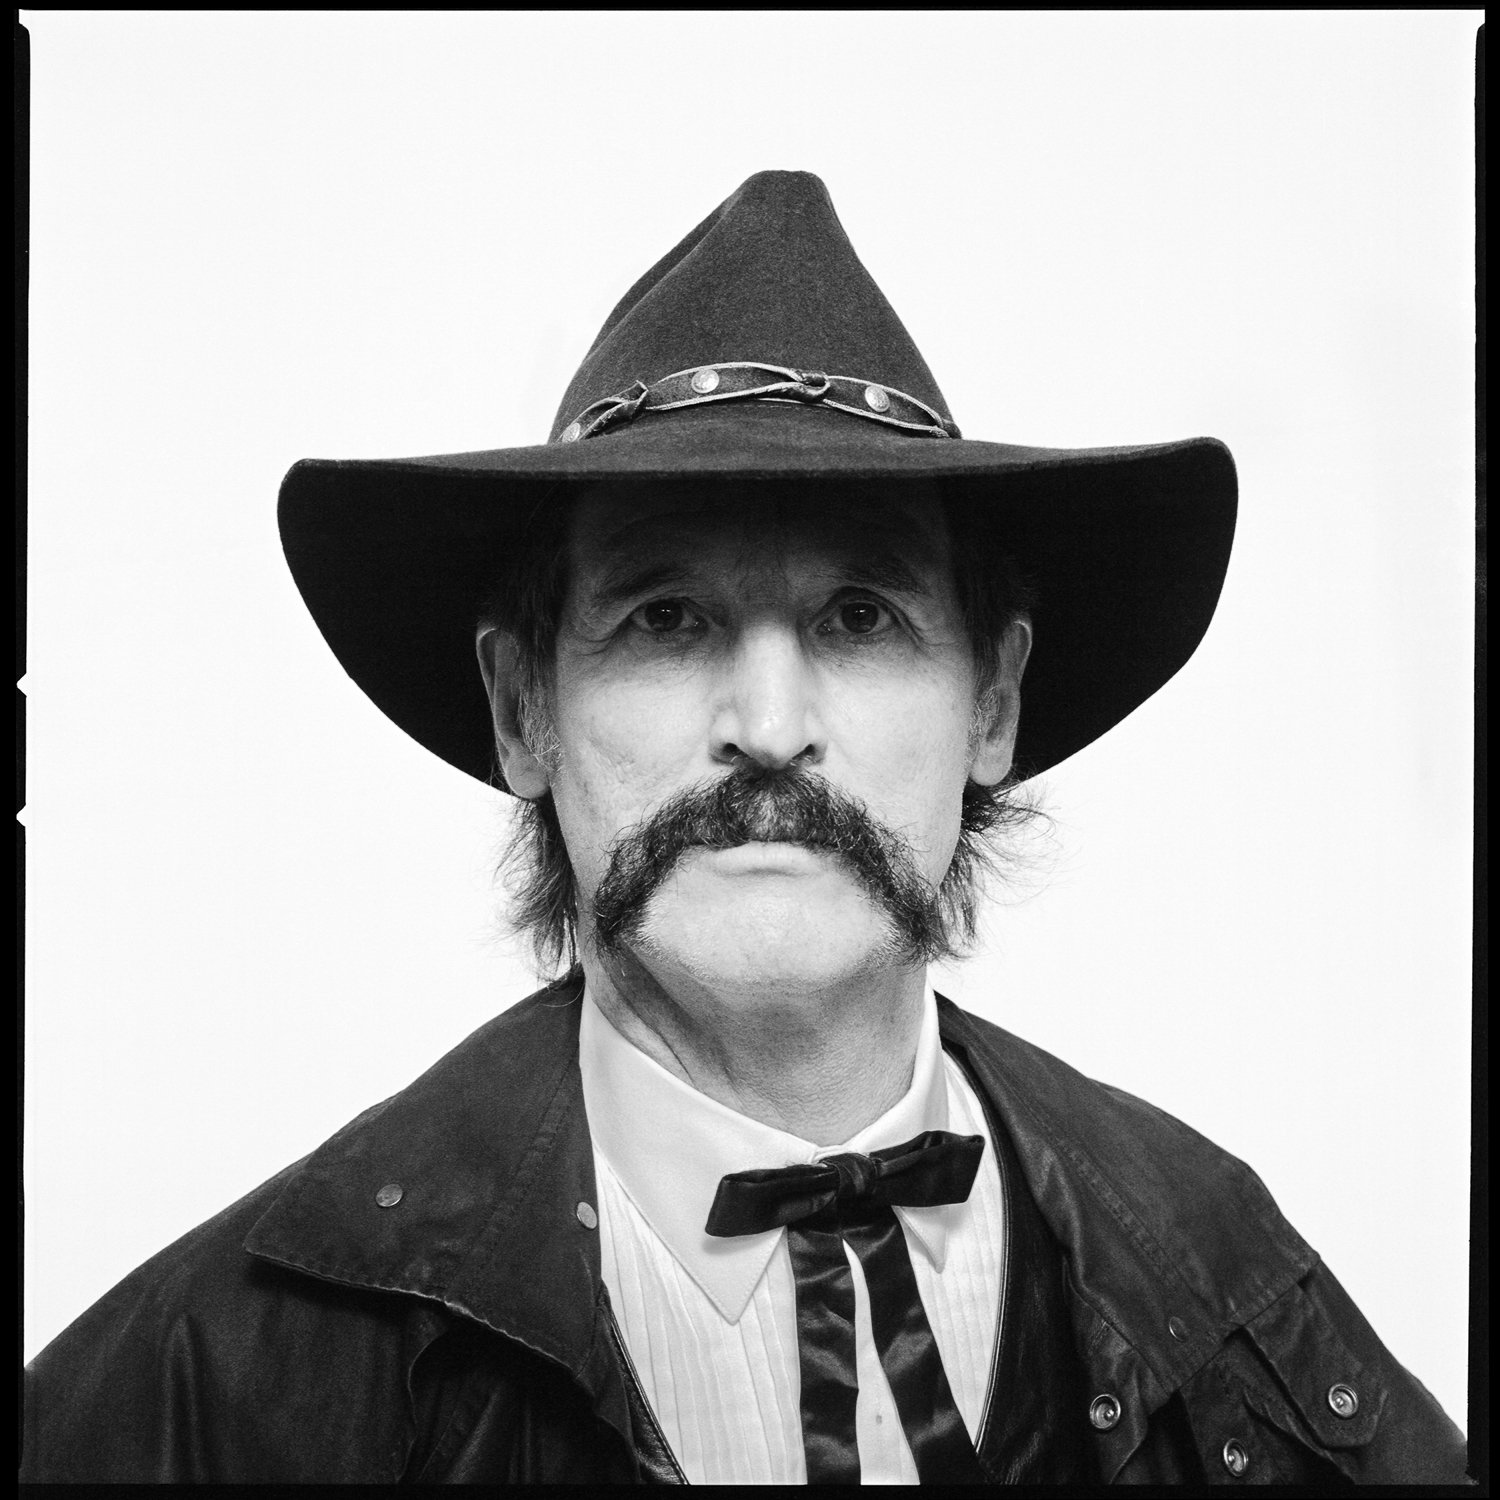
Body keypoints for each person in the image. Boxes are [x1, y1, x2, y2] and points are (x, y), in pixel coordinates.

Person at [21, 170, 1469, 1486]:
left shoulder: (1239, 1308)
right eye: (665, 617)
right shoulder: (201, 1390)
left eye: (860, 616)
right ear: (523, 713)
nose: (769, 724)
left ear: (993, 707)